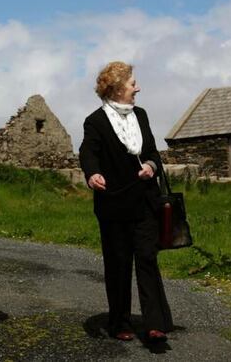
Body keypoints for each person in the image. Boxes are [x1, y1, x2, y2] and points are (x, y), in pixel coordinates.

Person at [79, 61, 174, 343]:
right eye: (133, 84)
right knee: (118, 264)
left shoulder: (141, 115)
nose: (138, 88)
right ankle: (119, 322)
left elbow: (154, 153)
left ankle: (155, 323)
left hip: (146, 201)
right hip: (113, 205)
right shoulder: (95, 121)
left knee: (147, 258)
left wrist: (151, 166)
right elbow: (88, 152)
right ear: (118, 88)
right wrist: (92, 173)